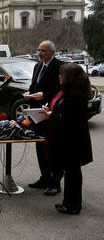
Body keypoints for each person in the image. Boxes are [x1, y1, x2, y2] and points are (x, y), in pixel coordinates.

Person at [41, 63, 93, 214]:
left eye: (61, 74)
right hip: (66, 139)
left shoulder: (77, 95)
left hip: (73, 141)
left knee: (73, 174)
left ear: (69, 77)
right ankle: (68, 202)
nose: (59, 76)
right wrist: (50, 111)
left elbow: (71, 119)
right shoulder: (67, 92)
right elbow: (62, 111)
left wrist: (51, 115)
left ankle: (73, 205)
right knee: (70, 172)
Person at [23, 40, 63, 196]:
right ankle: (44, 178)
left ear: (52, 52)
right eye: (38, 50)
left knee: (53, 149)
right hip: (37, 112)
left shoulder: (60, 67)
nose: (39, 53)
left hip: (52, 113)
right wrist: (28, 93)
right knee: (40, 146)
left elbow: (61, 89)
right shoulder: (37, 66)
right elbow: (34, 86)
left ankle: (55, 182)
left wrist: (45, 95)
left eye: (43, 50)